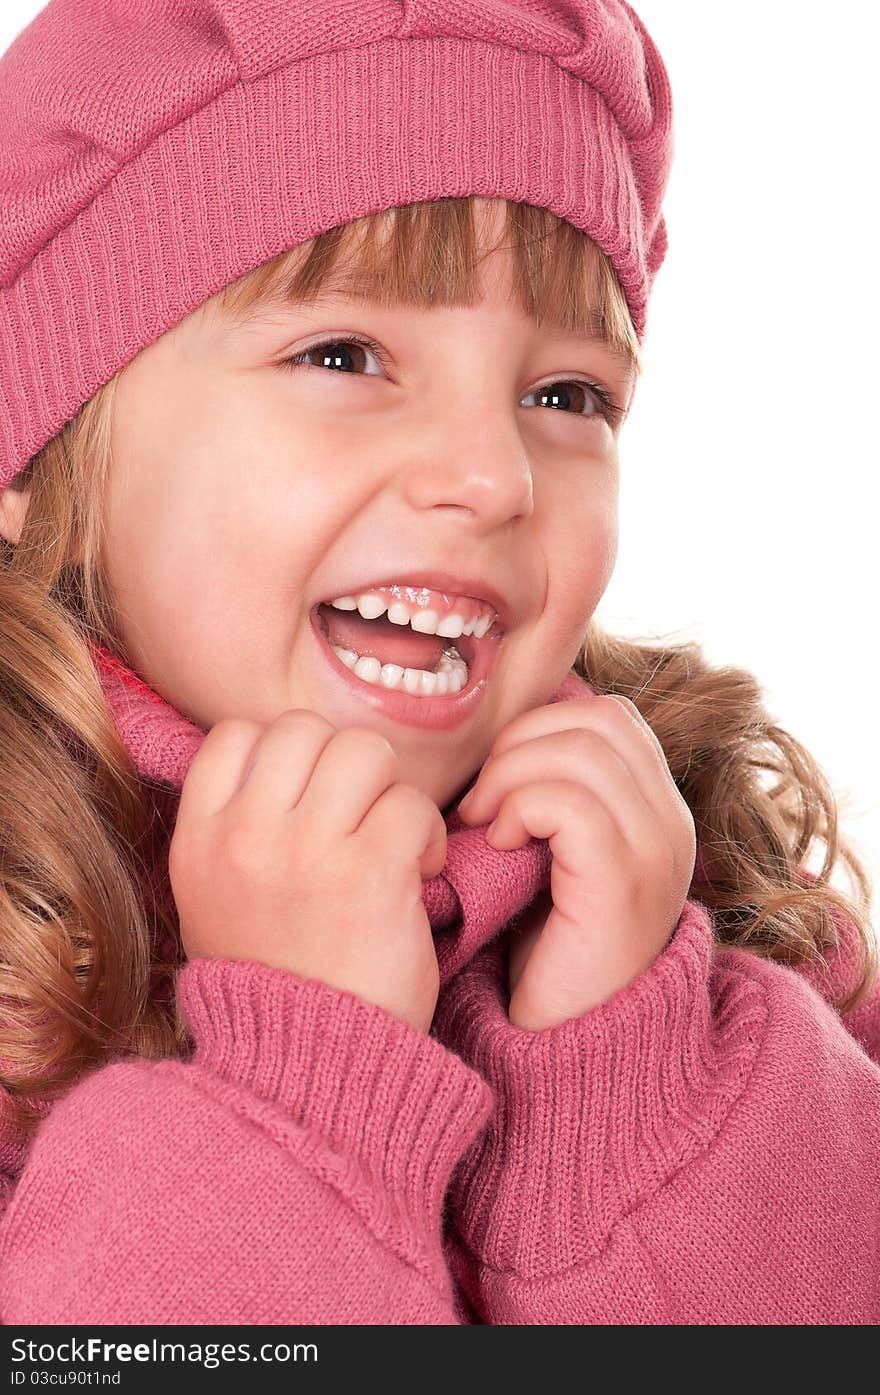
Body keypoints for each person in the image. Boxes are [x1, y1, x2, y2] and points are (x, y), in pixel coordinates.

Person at [0, 0, 877, 1325]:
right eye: (344, 355)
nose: (494, 476)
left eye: (567, 397)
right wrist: (291, 1095)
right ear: (39, 440)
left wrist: (626, 1105)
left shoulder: (722, 905)